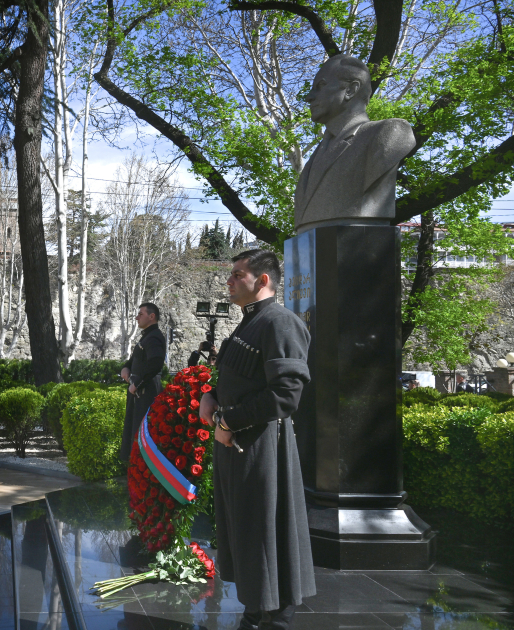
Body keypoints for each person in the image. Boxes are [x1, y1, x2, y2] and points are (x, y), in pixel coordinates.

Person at [200, 250, 315, 630]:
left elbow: (286, 394)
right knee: (244, 528)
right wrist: (211, 396)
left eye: (237, 274)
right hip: (238, 445)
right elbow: (240, 381)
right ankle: (255, 607)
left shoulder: (280, 322)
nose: (229, 281)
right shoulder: (249, 323)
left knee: (265, 529)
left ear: (262, 280)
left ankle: (277, 615)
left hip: (262, 447)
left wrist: (227, 420)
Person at [294, 54, 416, 234]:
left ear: (350, 90)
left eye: (320, 86)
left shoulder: (389, 132)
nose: (309, 97)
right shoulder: (318, 152)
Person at [119, 303, 166, 461]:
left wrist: (137, 384)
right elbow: (134, 360)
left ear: (152, 316)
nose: (137, 317)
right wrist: (125, 368)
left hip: (146, 393)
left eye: (141, 314)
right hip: (139, 393)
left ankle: (140, 467)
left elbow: (155, 363)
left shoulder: (154, 337)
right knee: (134, 432)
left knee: (143, 433)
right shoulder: (147, 337)